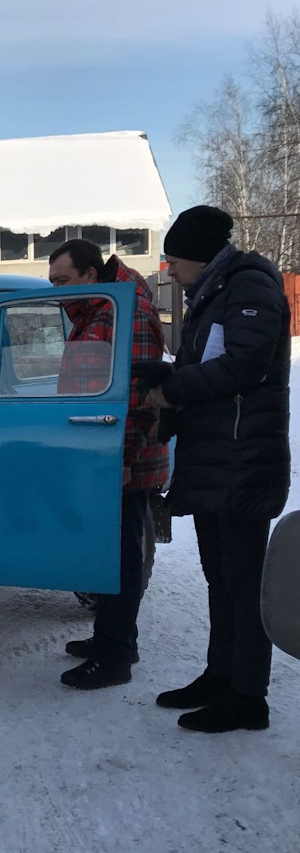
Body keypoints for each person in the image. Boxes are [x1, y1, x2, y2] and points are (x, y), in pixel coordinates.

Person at [144, 205, 291, 732]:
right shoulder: (214, 292)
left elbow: (245, 365)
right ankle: (220, 675)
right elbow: (208, 362)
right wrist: (159, 372)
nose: (170, 271)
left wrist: (173, 388)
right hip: (217, 457)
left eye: (174, 261)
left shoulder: (248, 286)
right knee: (219, 578)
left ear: (198, 257)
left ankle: (248, 698)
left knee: (243, 582)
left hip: (243, 458)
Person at [48, 239, 170, 689]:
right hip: (104, 454)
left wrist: (124, 461)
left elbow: (141, 396)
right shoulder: (97, 311)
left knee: (120, 556)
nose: (58, 292)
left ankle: (116, 656)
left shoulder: (126, 312)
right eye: (52, 282)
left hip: (122, 459)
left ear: (91, 275)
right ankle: (113, 638)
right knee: (107, 551)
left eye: (63, 281)